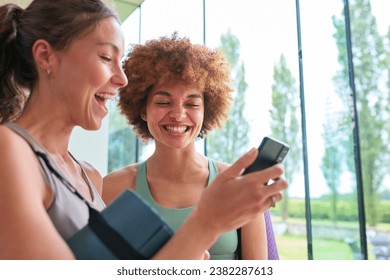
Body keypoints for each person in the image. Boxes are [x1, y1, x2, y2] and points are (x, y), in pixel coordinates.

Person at [0, 0, 287, 260]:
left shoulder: (88, 176)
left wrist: (186, 251)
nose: (122, 79)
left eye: (191, 102)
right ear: (46, 56)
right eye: (105, 57)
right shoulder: (8, 149)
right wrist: (205, 225)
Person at [103, 34, 287, 259]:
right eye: (163, 102)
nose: (178, 115)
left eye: (192, 103)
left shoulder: (237, 185)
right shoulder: (112, 189)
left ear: (206, 111)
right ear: (143, 109)